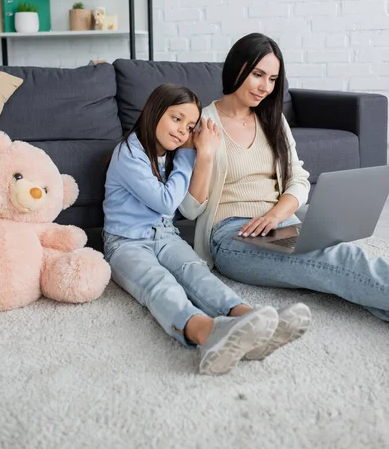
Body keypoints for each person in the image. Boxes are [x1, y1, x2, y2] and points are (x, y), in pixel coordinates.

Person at [103, 83, 311, 376]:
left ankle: (247, 318)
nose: (181, 131)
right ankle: (207, 332)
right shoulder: (128, 153)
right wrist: (191, 154)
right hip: (126, 243)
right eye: (176, 119)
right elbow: (165, 202)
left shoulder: (171, 154)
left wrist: (202, 153)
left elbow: (186, 205)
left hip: (165, 235)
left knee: (195, 270)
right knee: (159, 283)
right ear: (154, 111)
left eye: (189, 127)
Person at [179, 32, 389, 322]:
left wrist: (277, 215)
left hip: (283, 225)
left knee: (342, 258)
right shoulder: (201, 123)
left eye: (273, 79)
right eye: (257, 74)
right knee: (338, 261)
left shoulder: (272, 119)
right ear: (236, 67)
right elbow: (189, 209)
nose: (265, 87)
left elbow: (298, 179)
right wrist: (203, 155)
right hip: (232, 237)